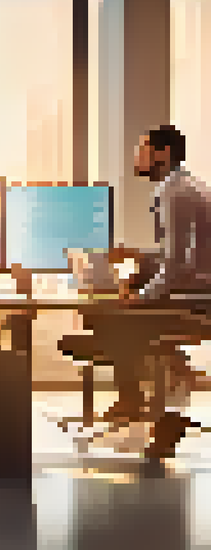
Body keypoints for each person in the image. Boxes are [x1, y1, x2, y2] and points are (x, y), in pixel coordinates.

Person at [63, 126, 211, 458]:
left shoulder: (173, 192)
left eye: (142, 149)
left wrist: (141, 297)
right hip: (196, 292)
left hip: (195, 301)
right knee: (113, 310)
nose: (136, 156)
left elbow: (177, 264)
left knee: (110, 313)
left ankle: (133, 397)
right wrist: (138, 257)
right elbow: (184, 255)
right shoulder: (185, 186)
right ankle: (143, 388)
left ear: (163, 154)